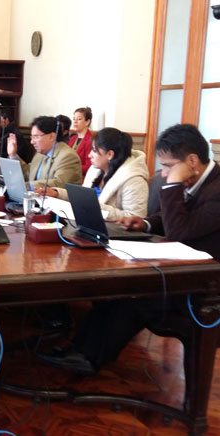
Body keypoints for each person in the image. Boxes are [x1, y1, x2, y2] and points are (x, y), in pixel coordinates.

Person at [38, 123, 220, 375]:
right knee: (115, 287)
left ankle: (89, 357)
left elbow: (178, 231)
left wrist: (173, 185)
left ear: (192, 161)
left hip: (205, 286)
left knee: (135, 295)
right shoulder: (198, 179)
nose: (165, 174)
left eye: (168, 166)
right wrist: (145, 223)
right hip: (181, 268)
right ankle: (81, 349)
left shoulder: (216, 189)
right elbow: (167, 218)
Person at [42, 127, 149, 221]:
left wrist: (94, 207)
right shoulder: (96, 170)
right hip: (92, 226)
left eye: (94, 150)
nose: (89, 155)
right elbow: (84, 198)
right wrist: (57, 193)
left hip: (114, 235)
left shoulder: (134, 180)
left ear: (110, 154)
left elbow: (135, 219)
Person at [7, 115, 82, 189]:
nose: (32, 142)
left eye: (36, 137)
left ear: (52, 136)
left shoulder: (68, 156)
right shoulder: (40, 154)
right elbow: (28, 174)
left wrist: (29, 186)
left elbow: (59, 183)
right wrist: (13, 155)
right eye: (32, 137)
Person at [68, 107, 94, 176]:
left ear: (87, 122)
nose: (75, 121)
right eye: (74, 119)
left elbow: (89, 166)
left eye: (79, 119)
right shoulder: (73, 138)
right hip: (68, 173)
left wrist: (71, 168)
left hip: (80, 177)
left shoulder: (91, 140)